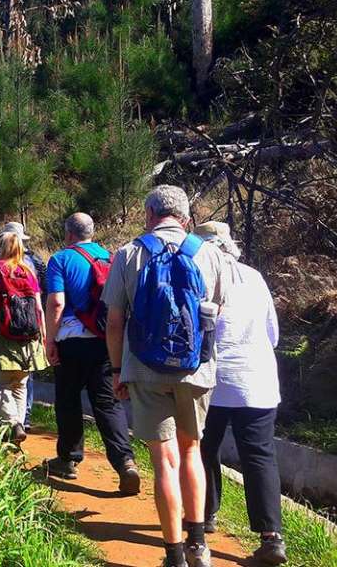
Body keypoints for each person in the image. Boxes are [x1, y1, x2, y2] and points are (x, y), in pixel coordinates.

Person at [102, 185, 231, 567]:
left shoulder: (128, 253)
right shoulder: (209, 253)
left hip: (143, 367)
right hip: (196, 368)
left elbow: (113, 322)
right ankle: (198, 546)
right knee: (193, 451)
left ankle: (173, 554)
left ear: (148, 214)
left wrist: (115, 369)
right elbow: (216, 315)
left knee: (164, 461)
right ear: (186, 218)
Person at [195, 222, 288, 565]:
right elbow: (273, 334)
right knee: (260, 455)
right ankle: (272, 538)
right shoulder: (255, 277)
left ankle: (205, 516)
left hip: (213, 381)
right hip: (258, 380)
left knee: (204, 448)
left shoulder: (199, 277)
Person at [43, 213, 141, 495]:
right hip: (106, 339)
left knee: (68, 399)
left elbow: (57, 303)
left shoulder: (60, 259)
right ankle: (125, 461)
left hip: (72, 340)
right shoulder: (110, 257)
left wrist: (50, 340)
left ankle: (68, 459)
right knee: (107, 404)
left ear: (69, 234)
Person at [0, 232, 48, 444]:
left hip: (1, 332)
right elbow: (38, 307)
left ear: (2, 248)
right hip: (28, 334)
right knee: (20, 383)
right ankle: (19, 422)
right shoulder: (29, 271)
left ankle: (13, 423)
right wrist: (42, 335)